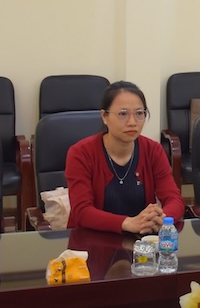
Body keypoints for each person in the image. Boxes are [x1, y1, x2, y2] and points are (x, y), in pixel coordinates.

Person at [66, 81, 184, 234]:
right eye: (122, 114)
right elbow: (82, 212)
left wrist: (162, 219)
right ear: (104, 116)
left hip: (141, 242)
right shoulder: (81, 153)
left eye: (139, 113)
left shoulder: (153, 150)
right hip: (90, 243)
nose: (132, 122)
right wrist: (127, 223)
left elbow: (175, 199)